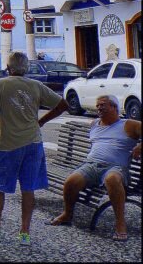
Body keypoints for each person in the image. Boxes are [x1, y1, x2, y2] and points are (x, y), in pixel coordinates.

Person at [0, 51, 68, 246]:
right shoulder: (36, 85)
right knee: (28, 188)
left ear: (8, 67)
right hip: (33, 143)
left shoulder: (1, 84)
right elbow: (62, 104)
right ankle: (25, 233)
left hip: (9, 144)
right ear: (26, 68)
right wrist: (42, 121)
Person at [48, 94, 142, 241]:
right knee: (71, 182)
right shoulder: (94, 124)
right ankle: (67, 214)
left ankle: (120, 224)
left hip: (116, 168)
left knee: (112, 179)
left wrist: (139, 146)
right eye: (97, 105)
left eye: (103, 104)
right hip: (91, 165)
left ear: (114, 107)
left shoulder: (128, 124)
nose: (99, 108)